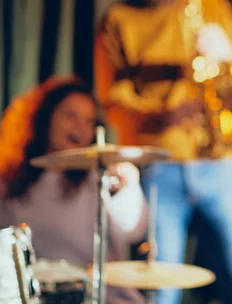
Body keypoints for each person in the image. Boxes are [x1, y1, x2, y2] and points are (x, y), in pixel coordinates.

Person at [93, 0, 232, 303]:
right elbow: (112, 99)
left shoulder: (209, 3)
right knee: (162, 291)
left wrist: (228, 56)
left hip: (218, 163)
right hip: (159, 169)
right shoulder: (119, 19)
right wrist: (166, 107)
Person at [0, 76, 146, 303]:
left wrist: (126, 189)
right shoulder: (10, 183)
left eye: (90, 121)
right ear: (45, 118)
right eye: (70, 116)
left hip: (103, 295)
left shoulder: (98, 178)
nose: (81, 127)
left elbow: (133, 230)